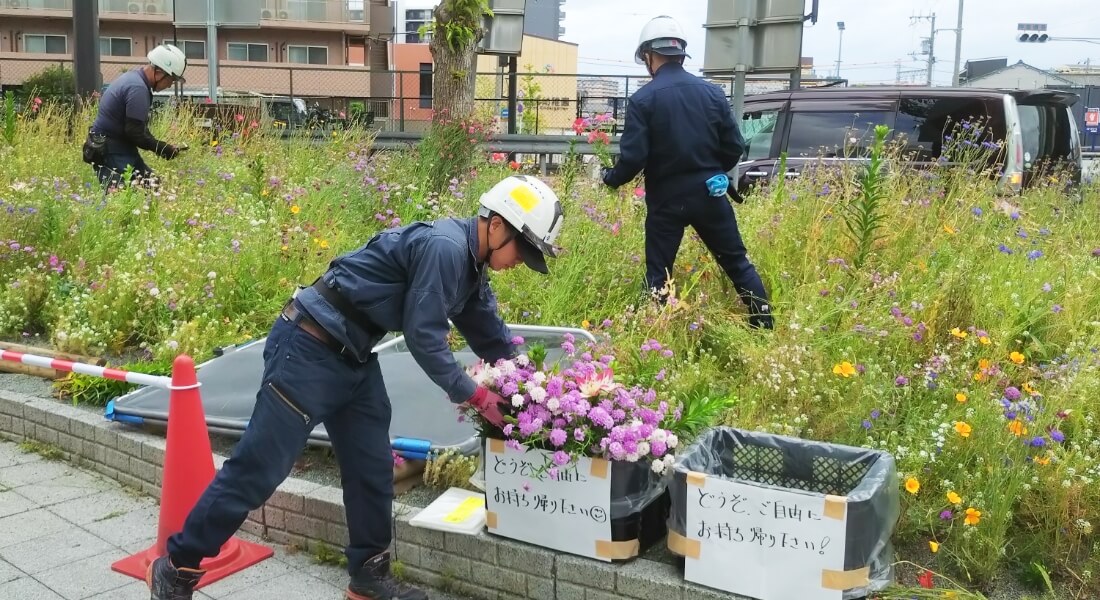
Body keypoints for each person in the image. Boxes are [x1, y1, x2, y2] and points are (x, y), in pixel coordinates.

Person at [146, 174, 565, 600]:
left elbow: (490, 335)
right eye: (522, 250)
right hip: (308, 348)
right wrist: (475, 395)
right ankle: (176, 567)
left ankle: (369, 576)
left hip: (355, 357)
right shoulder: (445, 248)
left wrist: (536, 389)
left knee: (371, 468)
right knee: (260, 468)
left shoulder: (471, 268)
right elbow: (424, 336)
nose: (521, 262)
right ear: (496, 225)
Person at [601, 16, 773, 330]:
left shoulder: (642, 100)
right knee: (737, 263)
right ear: (680, 54)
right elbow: (735, 146)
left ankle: (654, 338)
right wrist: (714, 171)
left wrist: (610, 178)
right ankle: (765, 327)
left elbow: (633, 158)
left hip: (666, 200)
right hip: (710, 193)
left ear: (648, 56)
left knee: (658, 274)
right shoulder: (712, 94)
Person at [84, 43, 188, 189]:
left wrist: (162, 146)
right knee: (121, 199)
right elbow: (135, 132)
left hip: (119, 146)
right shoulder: (137, 88)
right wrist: (161, 148)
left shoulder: (134, 79)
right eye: (171, 79)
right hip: (112, 150)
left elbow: (138, 127)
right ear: (159, 72)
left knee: (153, 188)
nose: (170, 85)